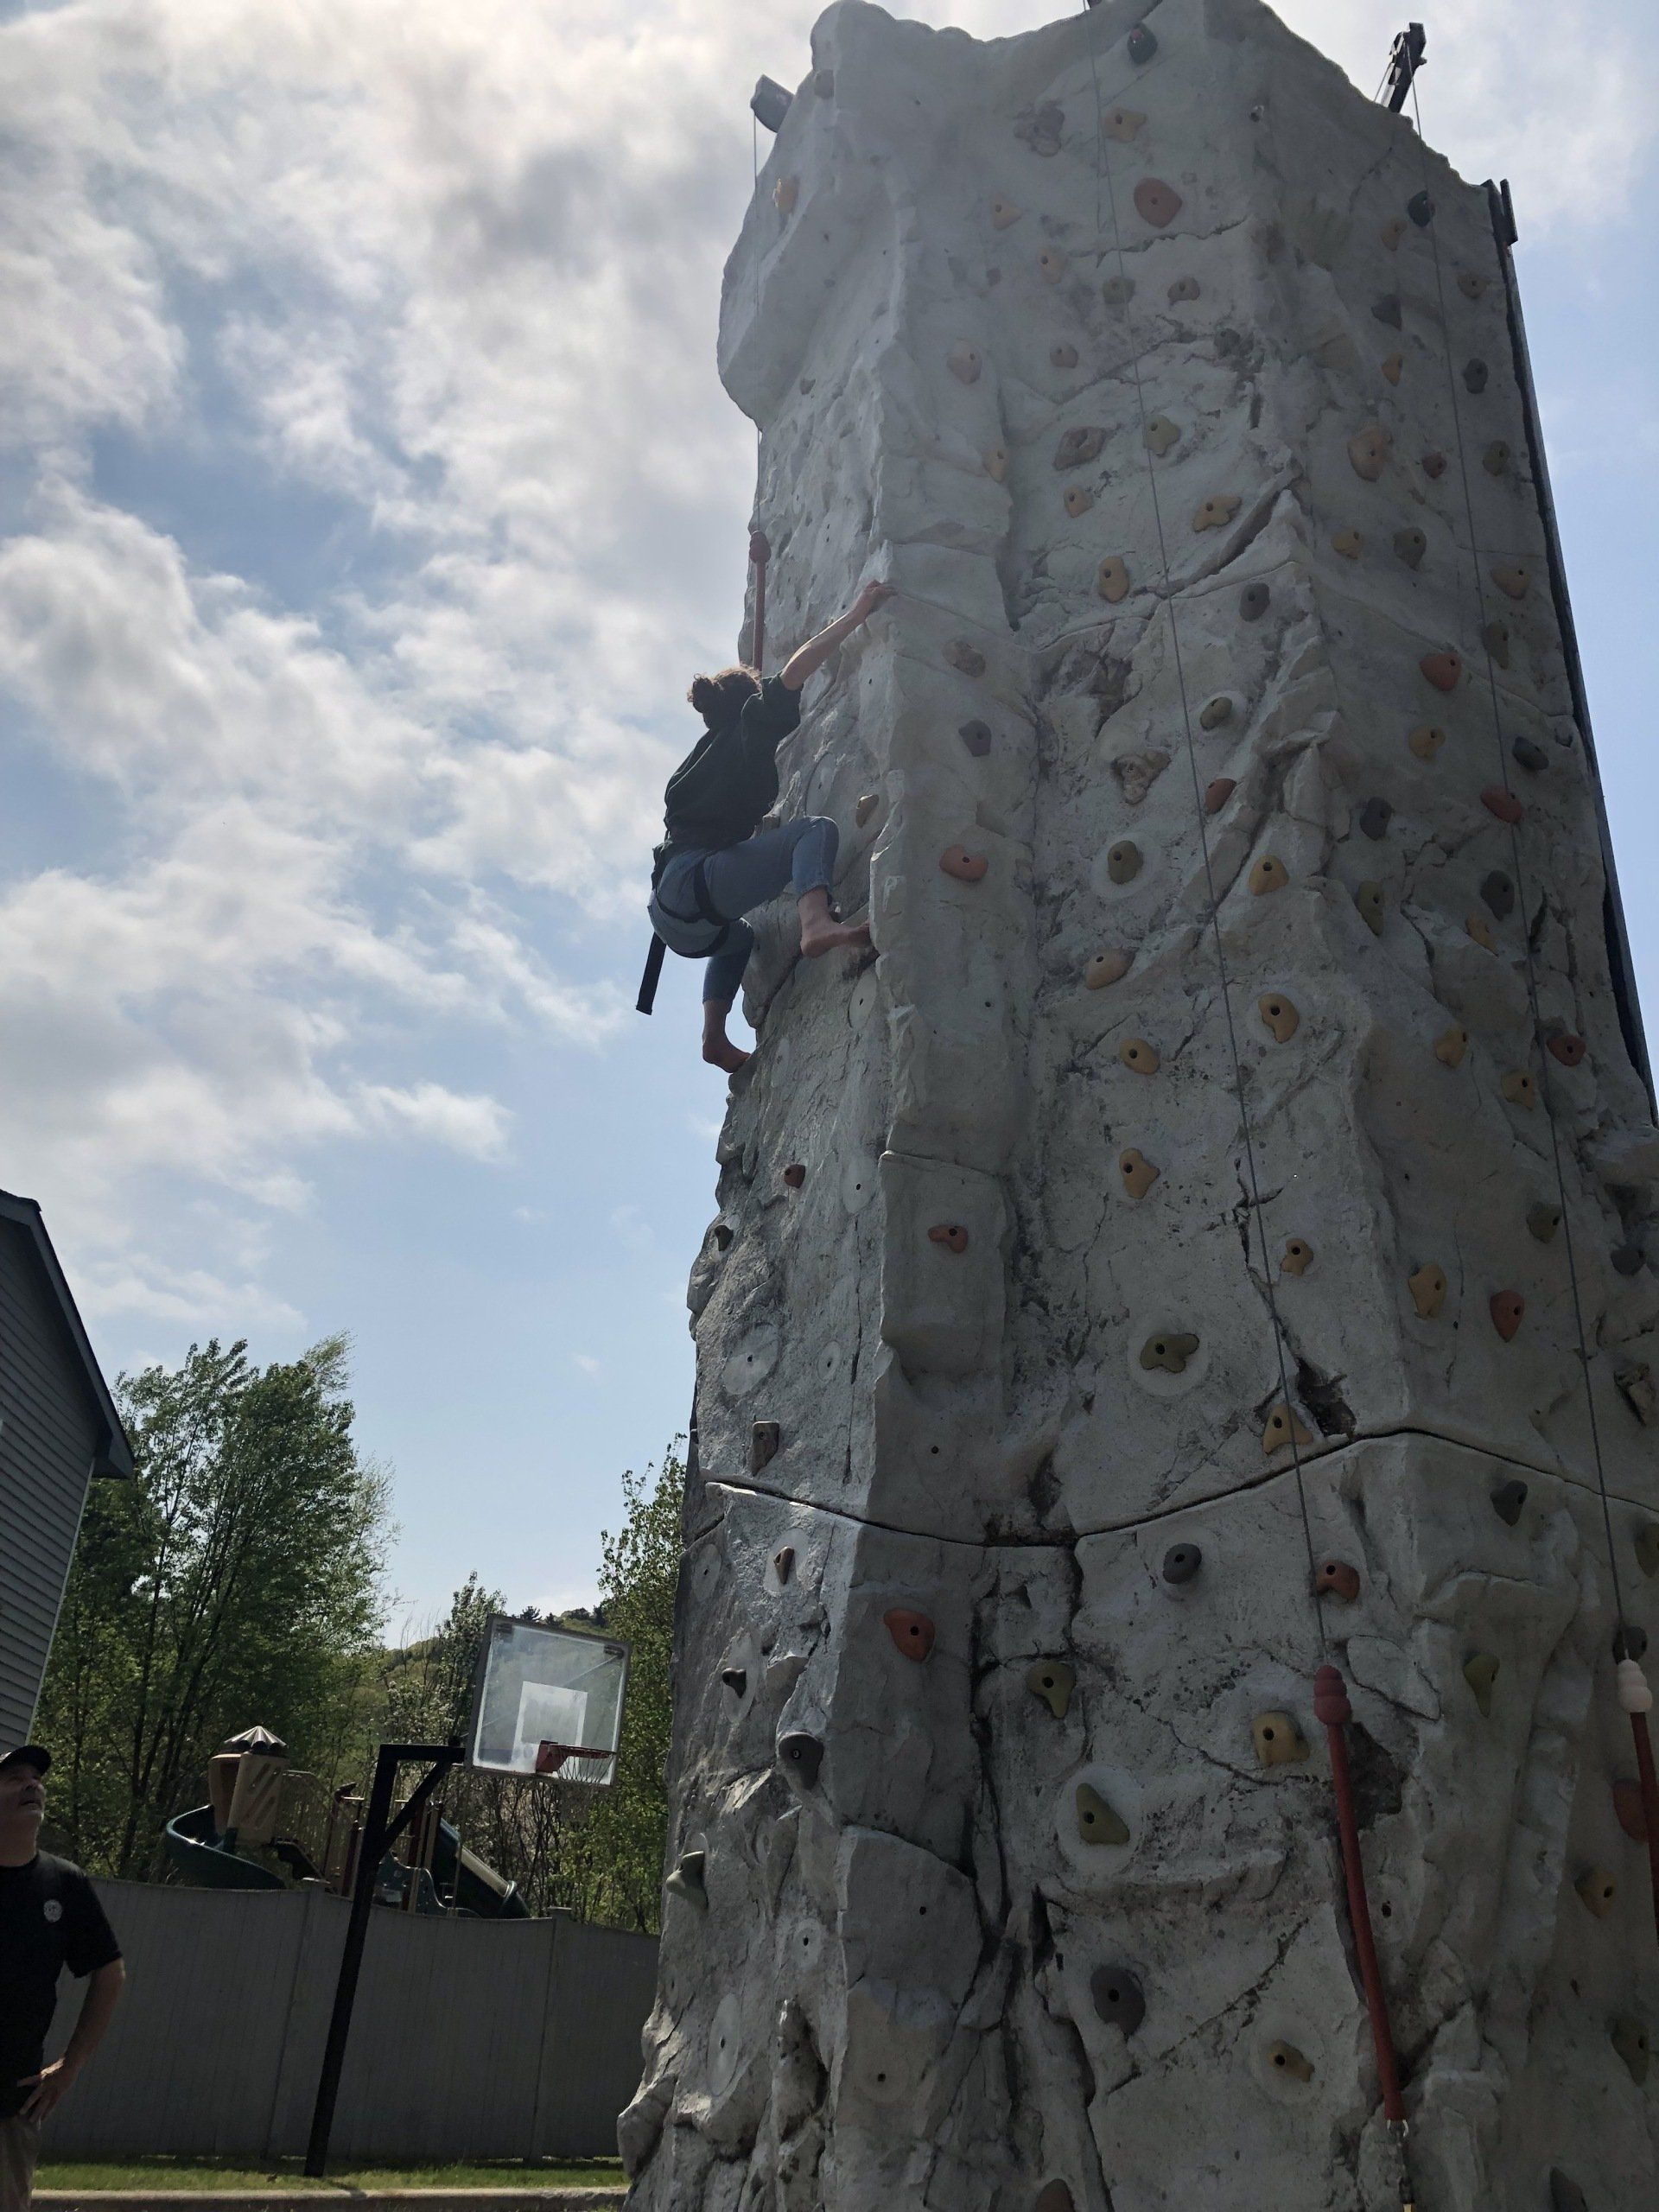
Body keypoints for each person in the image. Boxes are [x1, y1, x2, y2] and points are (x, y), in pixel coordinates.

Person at [645, 577, 893, 1071]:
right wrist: (858, 612)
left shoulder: (694, 763)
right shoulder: (750, 726)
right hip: (700, 888)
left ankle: (713, 1038)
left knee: (740, 938)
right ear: (749, 702)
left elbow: (707, 823)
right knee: (814, 830)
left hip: (673, 916)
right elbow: (797, 669)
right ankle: (816, 924)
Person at [0, 1746, 124, 2212]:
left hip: (10, 2109)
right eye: (14, 1778)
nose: (31, 1783)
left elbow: (110, 1974)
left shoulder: (63, 1883)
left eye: (36, 1777)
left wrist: (71, 2065)